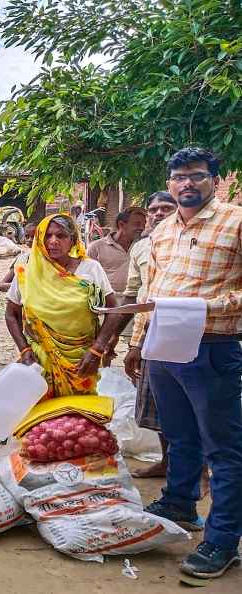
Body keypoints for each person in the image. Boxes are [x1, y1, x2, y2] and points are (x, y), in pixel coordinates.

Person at [131, 148, 242, 580]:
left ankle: (222, 540)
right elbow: (152, 290)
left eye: (197, 176)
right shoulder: (162, 231)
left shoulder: (235, 221)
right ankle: (180, 502)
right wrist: (139, 344)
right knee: (177, 436)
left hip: (212, 346)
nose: (186, 185)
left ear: (215, 179)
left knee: (224, 449)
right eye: (179, 178)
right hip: (164, 347)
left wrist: (201, 306)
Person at [4, 214, 125, 399]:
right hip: (40, 358)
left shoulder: (90, 269)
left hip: (82, 359)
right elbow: (11, 314)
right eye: (47, 235)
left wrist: (97, 349)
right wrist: (25, 350)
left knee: (80, 420)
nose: (53, 241)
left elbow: (113, 312)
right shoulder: (27, 272)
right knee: (41, 419)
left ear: (73, 240)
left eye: (61, 236)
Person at [120, 191, 178, 479]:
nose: (157, 214)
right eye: (153, 209)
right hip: (148, 335)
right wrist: (129, 343)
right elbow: (135, 295)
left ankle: (199, 471)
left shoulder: (189, 243)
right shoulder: (141, 247)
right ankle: (167, 462)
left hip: (185, 333)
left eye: (165, 208)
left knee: (191, 407)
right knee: (159, 406)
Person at [86, 207, 147, 297]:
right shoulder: (96, 247)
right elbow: (87, 277)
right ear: (121, 225)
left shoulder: (143, 247)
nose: (142, 228)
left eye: (144, 224)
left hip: (136, 302)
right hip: (106, 304)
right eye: (137, 224)